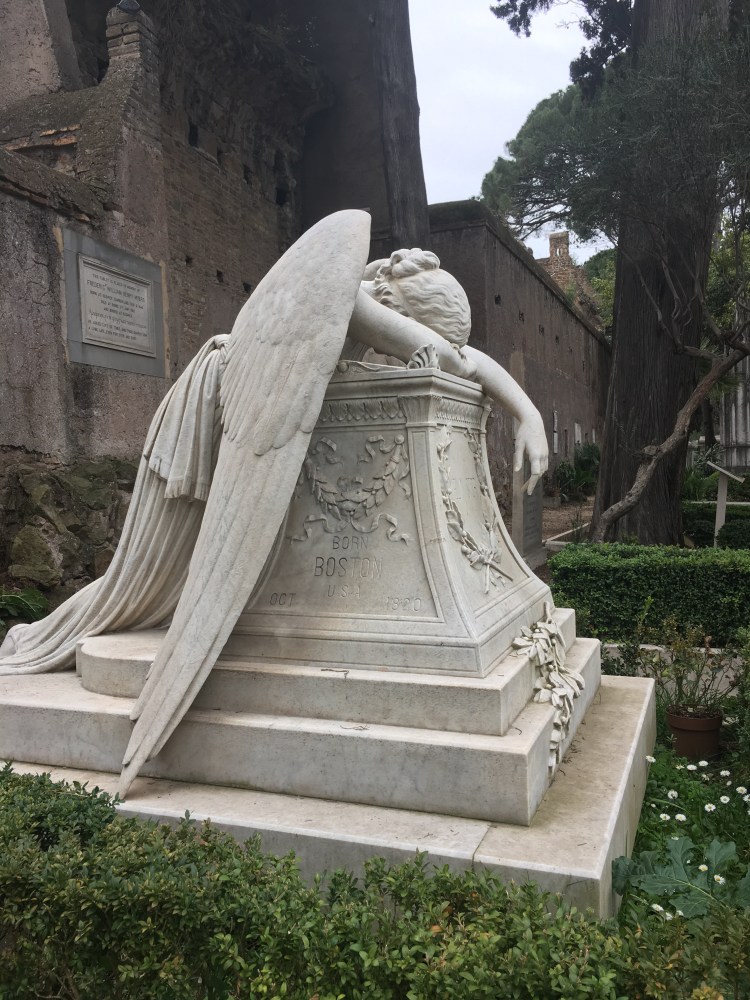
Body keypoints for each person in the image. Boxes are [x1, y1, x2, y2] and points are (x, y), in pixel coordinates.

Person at [0, 211, 548, 795]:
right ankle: (106, 633)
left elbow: (458, 356)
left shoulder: (352, 291)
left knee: (173, 579)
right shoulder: (342, 294)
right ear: (395, 306)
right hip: (223, 417)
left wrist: (529, 414)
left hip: (249, 412)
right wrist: (492, 389)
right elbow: (445, 354)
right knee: (161, 579)